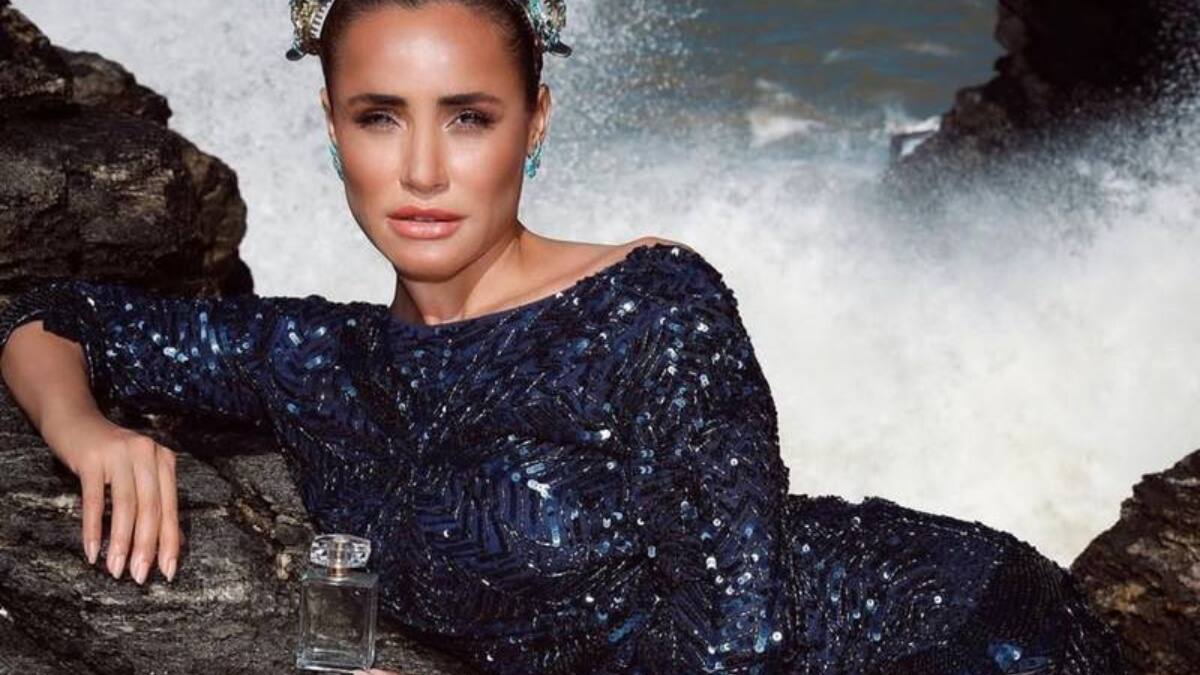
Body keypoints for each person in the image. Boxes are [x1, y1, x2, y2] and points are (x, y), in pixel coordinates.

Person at [0, 1, 1128, 673]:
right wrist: (85, 428)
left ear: (534, 123)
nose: (424, 171)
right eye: (380, 116)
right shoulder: (313, 358)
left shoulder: (655, 302)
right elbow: (48, 315)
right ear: (332, 129)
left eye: (470, 118)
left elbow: (727, 650)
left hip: (944, 631)